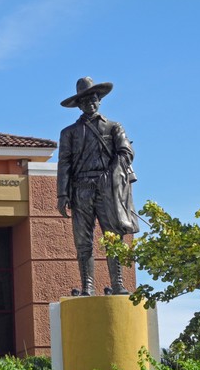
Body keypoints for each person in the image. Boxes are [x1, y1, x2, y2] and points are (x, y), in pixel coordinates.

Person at [57, 77, 139, 296]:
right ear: (79, 105)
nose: (90, 103)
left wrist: (111, 174)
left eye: (93, 99)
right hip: (80, 188)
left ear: (99, 100)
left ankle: (119, 283)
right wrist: (62, 194)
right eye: (84, 101)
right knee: (83, 241)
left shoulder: (113, 127)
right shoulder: (69, 133)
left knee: (113, 237)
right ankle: (87, 287)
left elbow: (126, 152)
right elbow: (64, 163)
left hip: (107, 187)